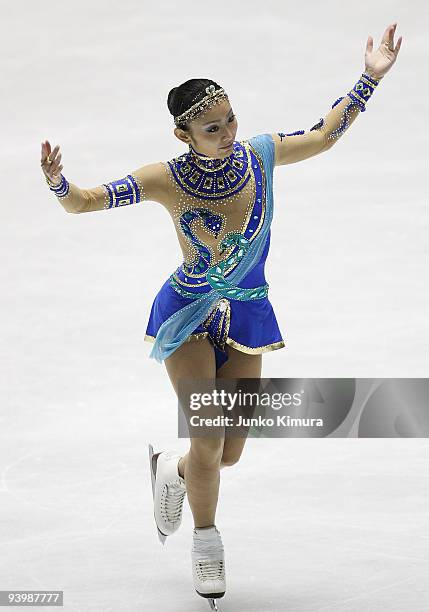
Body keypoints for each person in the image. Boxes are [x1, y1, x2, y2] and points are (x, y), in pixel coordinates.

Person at [40, 23, 401, 608]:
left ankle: (172, 469)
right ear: (184, 134)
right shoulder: (166, 178)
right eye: (212, 128)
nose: (228, 134)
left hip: (249, 315)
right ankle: (206, 542)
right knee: (209, 440)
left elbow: (325, 135)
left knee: (226, 452)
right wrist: (58, 181)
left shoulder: (259, 155)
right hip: (188, 313)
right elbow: (84, 202)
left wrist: (369, 78)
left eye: (230, 119)